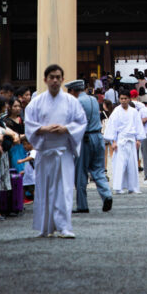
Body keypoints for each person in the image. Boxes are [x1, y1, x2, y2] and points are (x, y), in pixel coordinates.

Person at [24, 65, 87, 239]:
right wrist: (43, 129)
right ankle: (46, 227)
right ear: (45, 80)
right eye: (51, 77)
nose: (55, 80)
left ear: (62, 79)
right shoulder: (36, 102)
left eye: (58, 77)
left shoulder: (71, 101)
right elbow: (29, 124)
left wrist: (66, 129)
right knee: (44, 189)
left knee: (64, 189)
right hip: (45, 151)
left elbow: (81, 122)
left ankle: (64, 226)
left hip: (63, 152)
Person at [69, 80, 113, 214]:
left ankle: (82, 205)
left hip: (85, 138)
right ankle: (107, 194)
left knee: (81, 172)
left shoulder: (76, 102)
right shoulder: (94, 100)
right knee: (98, 170)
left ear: (73, 91)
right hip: (98, 136)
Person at [103, 91, 145, 194]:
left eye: (125, 98)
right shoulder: (116, 111)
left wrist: (138, 139)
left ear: (129, 99)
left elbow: (138, 125)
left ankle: (133, 187)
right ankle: (118, 187)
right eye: (121, 98)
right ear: (119, 99)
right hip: (120, 140)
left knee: (132, 164)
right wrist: (113, 141)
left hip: (131, 140)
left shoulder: (134, 112)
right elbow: (112, 127)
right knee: (119, 165)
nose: (123, 100)